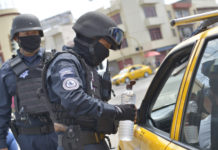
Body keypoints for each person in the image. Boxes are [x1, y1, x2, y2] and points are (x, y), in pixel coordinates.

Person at [43, 11, 137, 150]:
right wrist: (118, 111)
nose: (106, 52)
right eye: (106, 45)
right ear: (90, 38)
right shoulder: (65, 63)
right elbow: (75, 101)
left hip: (95, 142)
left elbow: (94, 105)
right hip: (76, 145)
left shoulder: (87, 66)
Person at [0, 14, 58, 150]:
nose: (31, 36)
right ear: (16, 38)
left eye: (34, 33)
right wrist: (2, 144)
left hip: (60, 134)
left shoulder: (56, 61)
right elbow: (2, 111)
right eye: (26, 33)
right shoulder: (7, 70)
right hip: (29, 139)